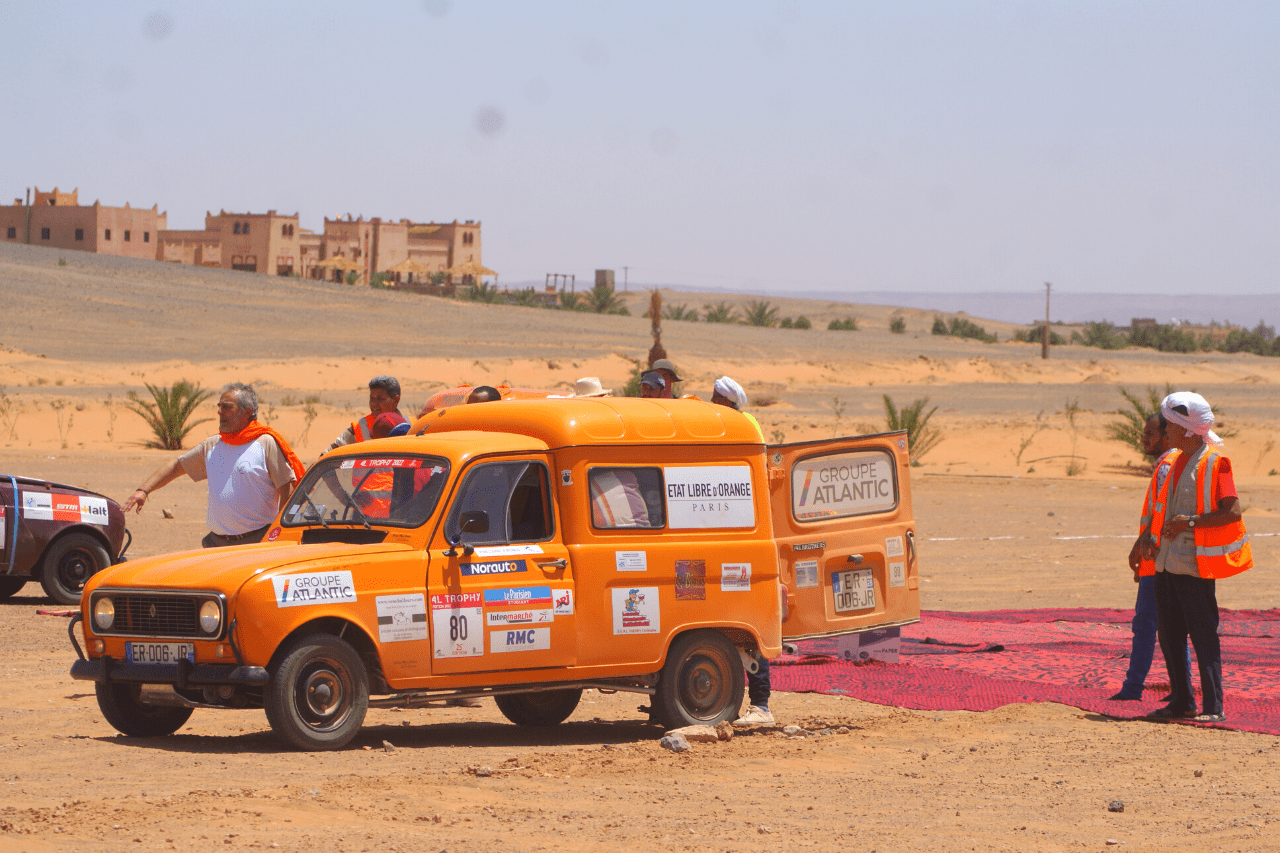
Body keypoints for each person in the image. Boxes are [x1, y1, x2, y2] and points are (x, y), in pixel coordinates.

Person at [1144, 392, 1252, 723]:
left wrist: (1189, 523)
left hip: (1196, 564)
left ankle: (1213, 707)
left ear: (1188, 431)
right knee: (1169, 633)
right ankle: (1182, 701)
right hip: (1165, 562)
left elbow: (1232, 513)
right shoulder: (1171, 462)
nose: (1167, 433)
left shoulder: (1217, 464)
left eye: (1172, 427)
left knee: (1202, 634)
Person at [123, 383, 305, 548]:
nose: (219, 412)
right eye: (219, 407)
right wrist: (143, 491)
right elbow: (177, 466)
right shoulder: (213, 445)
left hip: (256, 543)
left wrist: (279, 533)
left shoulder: (265, 443)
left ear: (247, 412)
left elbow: (286, 489)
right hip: (215, 544)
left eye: (226, 407)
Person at [706, 374, 773, 725]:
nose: (713, 402)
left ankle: (761, 705)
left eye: (718, 398)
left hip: (742, 539)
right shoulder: (731, 424)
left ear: (727, 402)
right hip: (726, 537)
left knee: (749, 626)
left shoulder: (738, 427)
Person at [1113, 412, 1189, 701]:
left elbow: (1168, 515)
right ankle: (1178, 689)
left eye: (1150, 433)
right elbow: (1157, 516)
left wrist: (1147, 548)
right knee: (1169, 626)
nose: (1144, 438)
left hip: (1159, 560)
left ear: (1167, 436)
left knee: (1148, 625)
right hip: (1157, 556)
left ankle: (1134, 688)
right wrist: (1139, 542)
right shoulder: (1168, 465)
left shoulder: (1168, 466)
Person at [326, 375, 402, 452]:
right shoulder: (358, 428)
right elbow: (328, 454)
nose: (373, 404)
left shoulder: (410, 425)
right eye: (372, 398)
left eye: (380, 399)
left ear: (396, 400)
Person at [710, 375, 764, 441]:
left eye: (715, 396)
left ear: (725, 401)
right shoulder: (749, 418)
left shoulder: (722, 423)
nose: (712, 400)